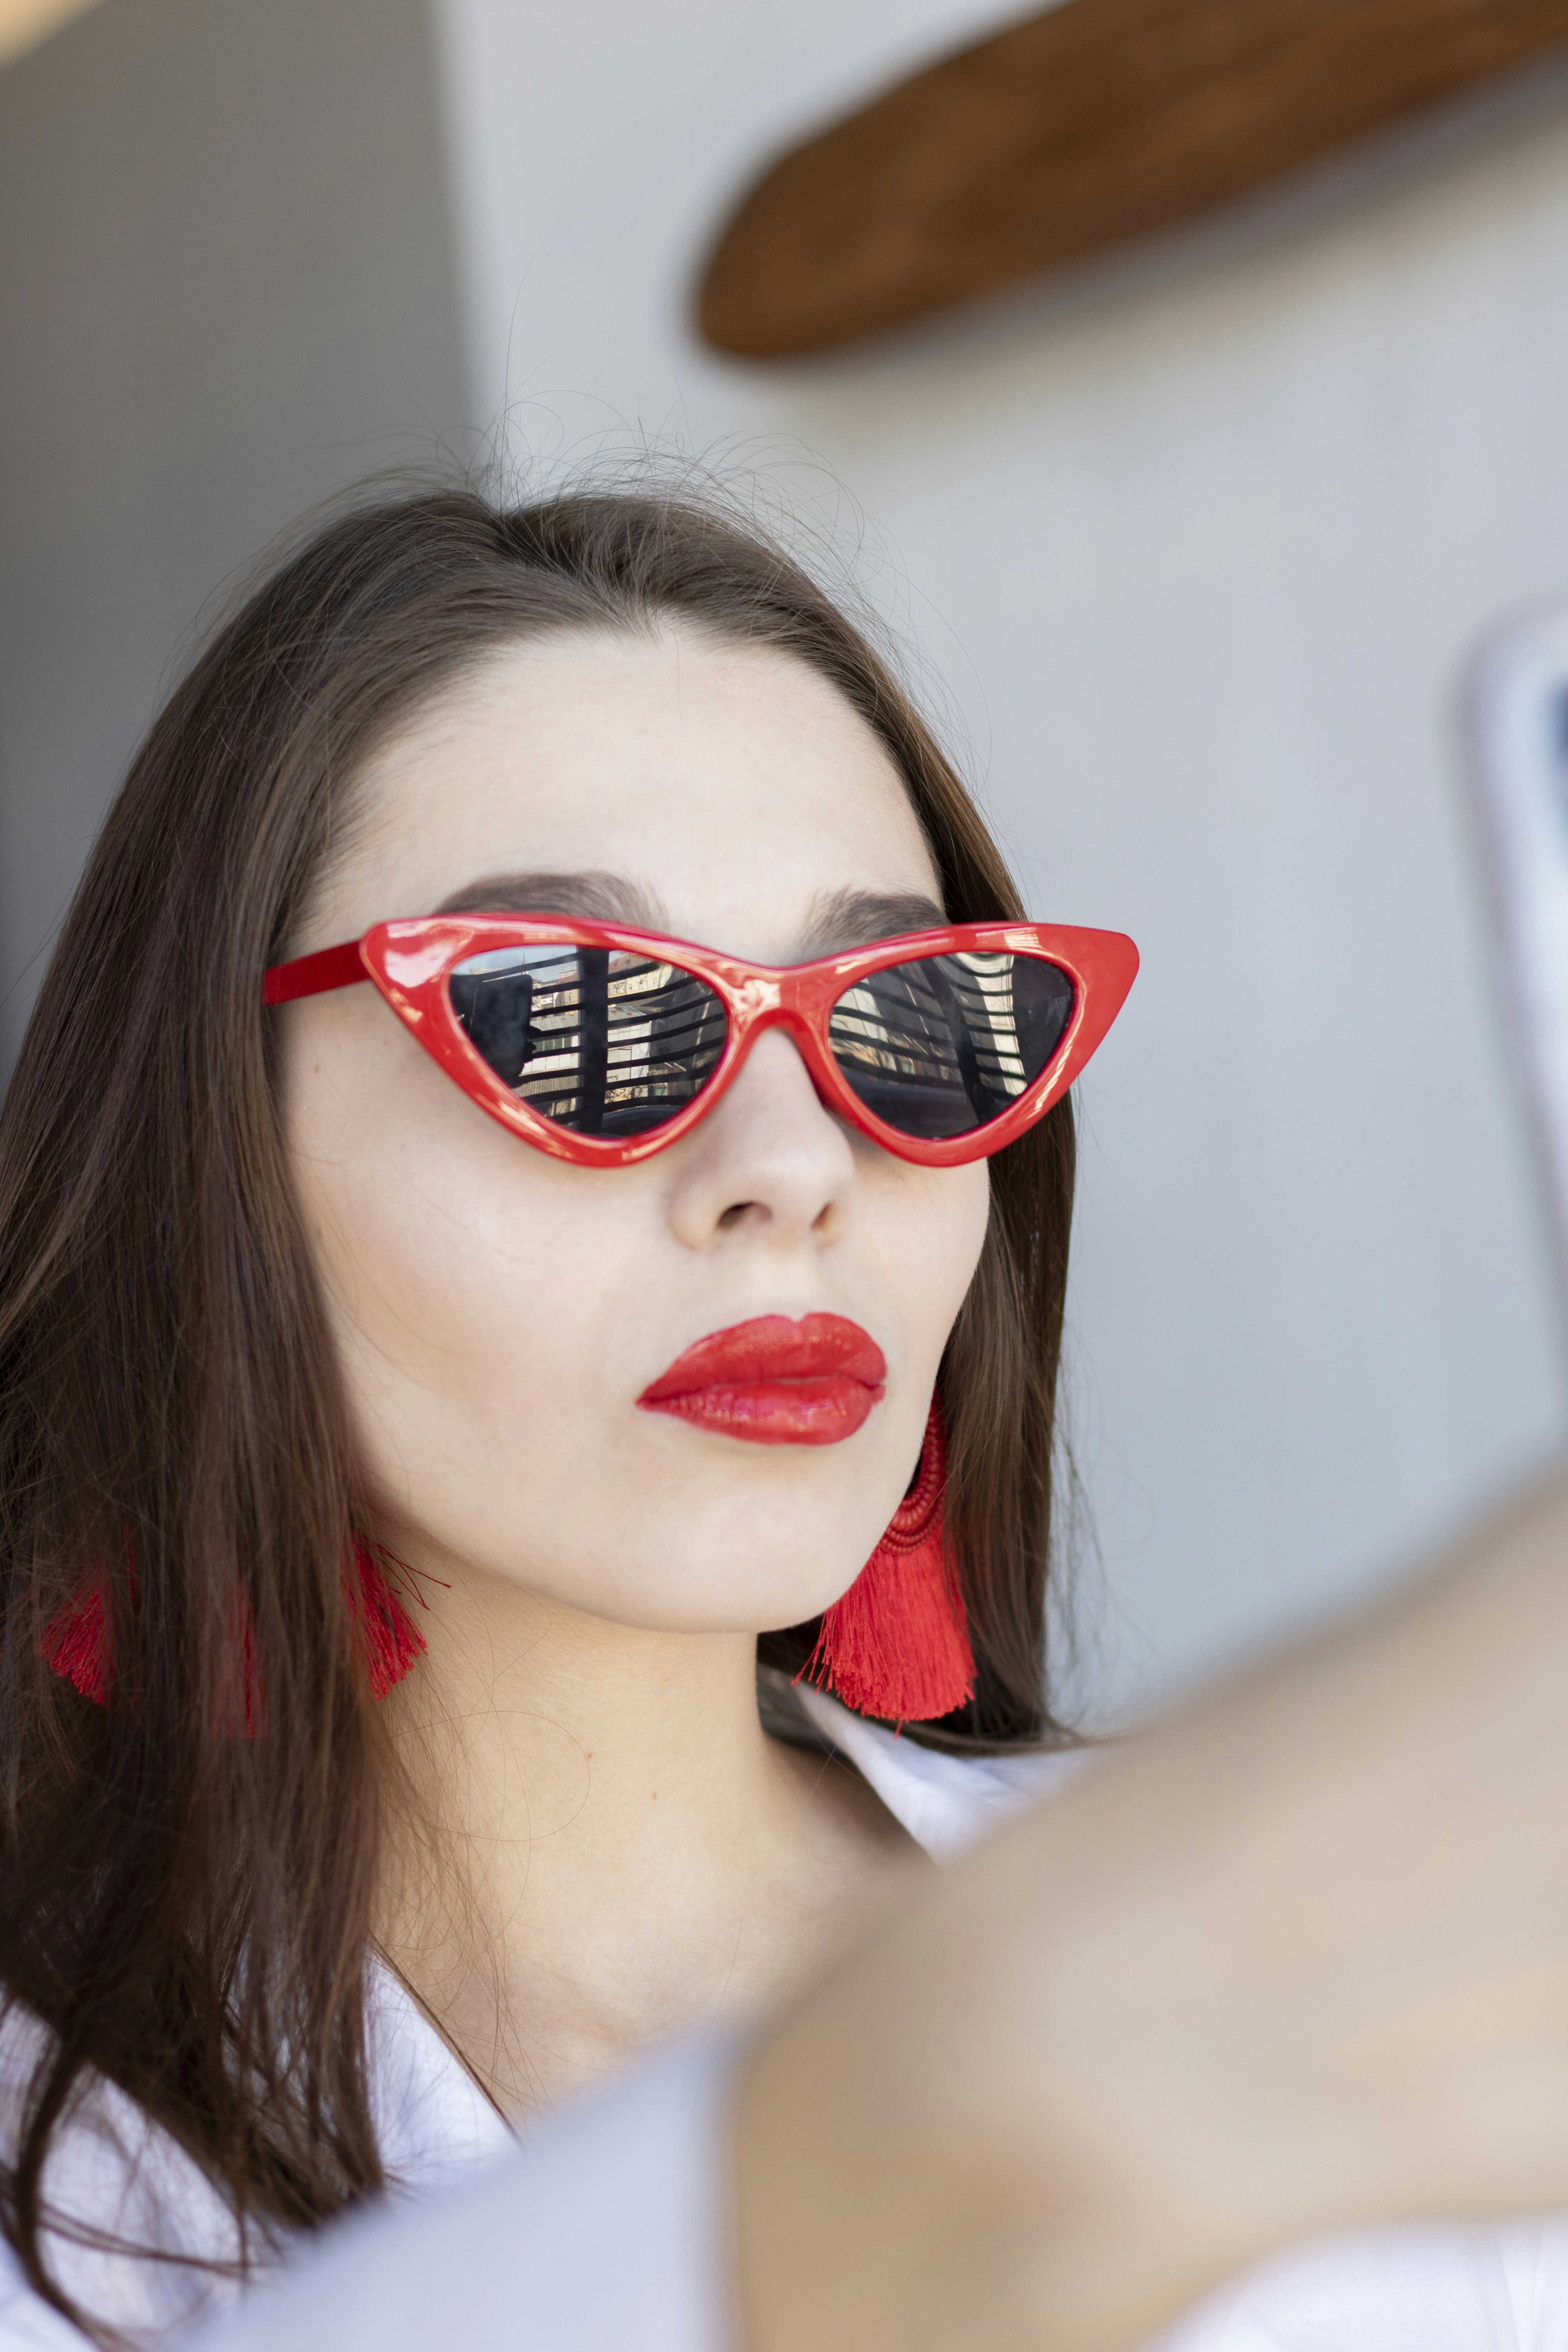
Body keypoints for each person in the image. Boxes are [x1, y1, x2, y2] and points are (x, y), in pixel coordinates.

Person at [0, 483, 1564, 2352]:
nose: (795, 1163)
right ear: (208, 1144)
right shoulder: (51, 2181)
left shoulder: (1414, 1994)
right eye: (580, 1016)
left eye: (906, 1023)